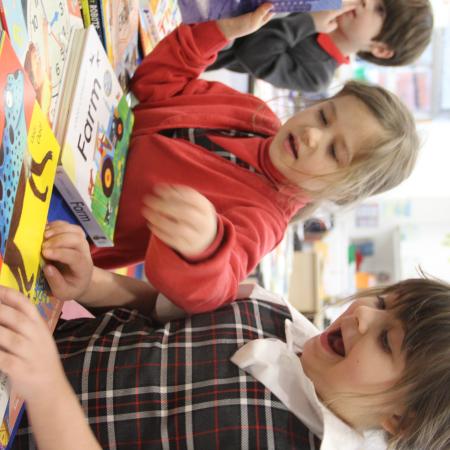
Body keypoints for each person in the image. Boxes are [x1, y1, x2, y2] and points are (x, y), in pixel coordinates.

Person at [4, 221, 450, 450]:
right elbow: (152, 306)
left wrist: (45, 389)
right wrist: (91, 284)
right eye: (382, 303)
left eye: (386, 341)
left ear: (400, 420)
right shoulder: (274, 310)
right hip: (25, 337)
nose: (362, 317)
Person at [91, 4, 420, 314]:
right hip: (77, 131)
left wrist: (205, 248)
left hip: (68, 224)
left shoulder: (263, 219)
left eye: (334, 151)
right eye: (323, 116)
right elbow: (154, 83)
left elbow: (214, 289)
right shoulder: (254, 114)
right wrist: (220, 31)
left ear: (342, 192)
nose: (312, 135)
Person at [207, 0, 434, 93]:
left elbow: (253, 51)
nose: (367, 2)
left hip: (196, 40)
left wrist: (311, 21)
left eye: (380, 10)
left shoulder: (316, 75)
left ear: (381, 49)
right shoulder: (329, 2)